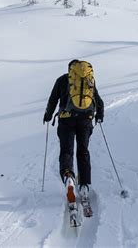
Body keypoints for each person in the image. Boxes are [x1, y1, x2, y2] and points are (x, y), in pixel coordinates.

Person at [43, 59, 104, 204]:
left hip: (66, 120)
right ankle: (83, 185)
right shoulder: (88, 79)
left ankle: (68, 177)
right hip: (85, 120)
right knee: (83, 150)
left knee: (66, 151)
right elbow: (98, 100)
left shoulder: (62, 80)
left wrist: (48, 115)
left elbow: (53, 100)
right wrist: (100, 115)